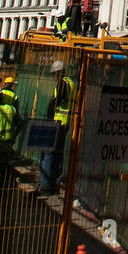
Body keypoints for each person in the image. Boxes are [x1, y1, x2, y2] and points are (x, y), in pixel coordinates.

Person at [41, 59, 75, 194]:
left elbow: (59, 98)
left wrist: (52, 105)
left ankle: (46, 186)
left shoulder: (62, 83)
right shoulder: (72, 83)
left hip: (57, 122)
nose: (54, 77)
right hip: (66, 122)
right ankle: (56, 183)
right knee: (59, 154)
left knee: (49, 153)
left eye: (54, 74)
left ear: (58, 73)